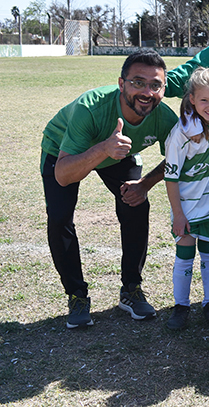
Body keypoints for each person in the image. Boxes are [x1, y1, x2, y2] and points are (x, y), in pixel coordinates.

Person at [41, 49, 178, 329]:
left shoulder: (164, 117)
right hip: (63, 151)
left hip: (118, 152)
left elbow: (179, 157)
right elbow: (63, 175)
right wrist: (103, 148)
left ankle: (131, 289)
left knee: (136, 203)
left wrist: (145, 184)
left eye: (155, 85)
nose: (147, 92)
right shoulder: (90, 108)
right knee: (59, 217)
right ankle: (77, 296)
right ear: (121, 83)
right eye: (137, 82)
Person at [164, 67, 209, 330]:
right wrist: (178, 214)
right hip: (187, 207)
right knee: (184, 254)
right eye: (204, 100)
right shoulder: (180, 133)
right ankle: (181, 306)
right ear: (191, 98)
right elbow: (171, 178)